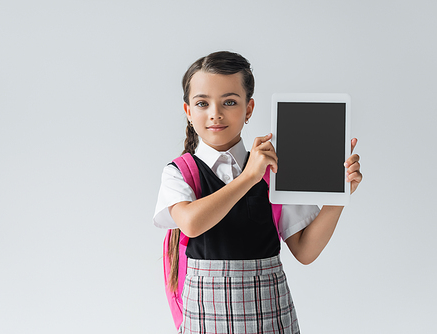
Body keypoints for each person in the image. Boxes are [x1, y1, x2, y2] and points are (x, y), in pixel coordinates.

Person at [153, 51, 362, 334]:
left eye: (229, 101)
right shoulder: (179, 172)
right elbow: (191, 223)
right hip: (205, 316)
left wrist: (340, 196)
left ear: (249, 109)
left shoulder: (273, 171)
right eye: (202, 103)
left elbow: (305, 250)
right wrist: (249, 176)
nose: (215, 112)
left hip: (271, 315)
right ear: (188, 111)